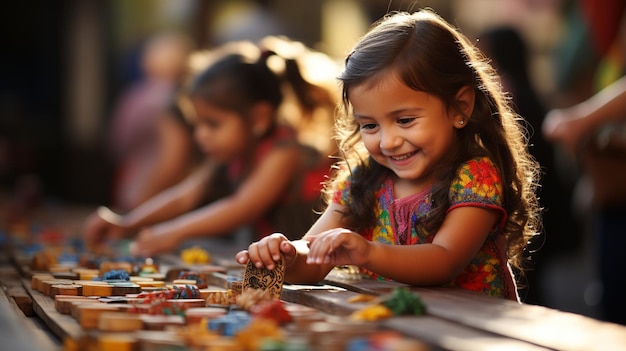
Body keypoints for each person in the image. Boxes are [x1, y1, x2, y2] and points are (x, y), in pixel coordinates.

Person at [236, 9, 542, 301]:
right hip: (391, 330)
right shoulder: (365, 180)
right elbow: (313, 259)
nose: (388, 141)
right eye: (369, 125)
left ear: (460, 107)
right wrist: (285, 254)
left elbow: (444, 260)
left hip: (468, 331)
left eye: (405, 120)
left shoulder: (474, 176)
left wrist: (367, 252)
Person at [84, 39, 336, 257]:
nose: (200, 135)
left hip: (312, 273)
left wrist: (174, 232)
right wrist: (126, 222)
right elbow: (185, 196)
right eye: (198, 123)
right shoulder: (231, 157)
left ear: (259, 118)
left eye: (213, 124)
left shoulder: (285, 152)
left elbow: (243, 206)